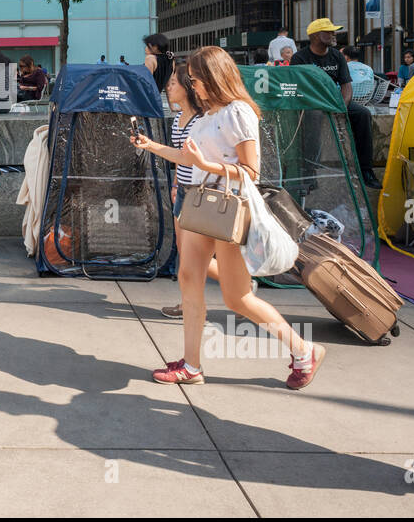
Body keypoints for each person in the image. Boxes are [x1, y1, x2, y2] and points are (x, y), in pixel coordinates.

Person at [133, 46, 326, 389]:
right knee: (189, 281)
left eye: (195, 80)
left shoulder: (238, 112)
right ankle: (191, 366)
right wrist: (151, 146)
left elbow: (251, 170)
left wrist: (207, 166)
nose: (193, 86)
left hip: (227, 211)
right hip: (201, 206)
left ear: (213, 77)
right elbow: (186, 157)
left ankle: (304, 349)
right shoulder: (208, 115)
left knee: (237, 298)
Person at [132, 66, 219, 319]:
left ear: (187, 88)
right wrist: (175, 185)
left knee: (195, 257)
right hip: (182, 192)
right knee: (185, 253)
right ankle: (187, 303)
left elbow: (190, 158)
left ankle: (238, 281)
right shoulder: (180, 118)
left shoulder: (201, 120)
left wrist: (151, 146)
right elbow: (180, 160)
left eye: (173, 83)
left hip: (198, 195)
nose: (168, 87)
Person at [290, 19, 381, 189]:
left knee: (362, 114)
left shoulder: (337, 55)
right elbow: (297, 88)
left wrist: (343, 106)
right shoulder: (300, 58)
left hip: (334, 100)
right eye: (330, 32)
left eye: (334, 32)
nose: (334, 35)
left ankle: (365, 170)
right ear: (316, 36)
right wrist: (315, 105)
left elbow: (346, 84)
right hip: (310, 102)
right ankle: (309, 171)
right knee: (313, 117)